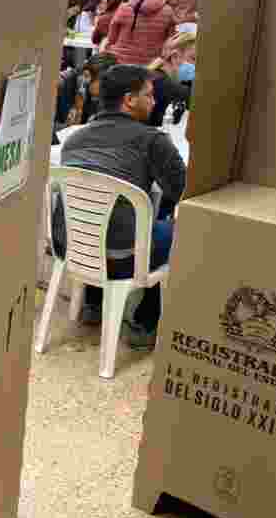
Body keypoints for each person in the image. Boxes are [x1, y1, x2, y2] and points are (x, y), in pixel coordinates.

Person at [57, 65, 186, 349]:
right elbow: (183, 192)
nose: (154, 102)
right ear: (129, 100)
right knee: (176, 226)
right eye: (149, 95)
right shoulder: (152, 141)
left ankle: (92, 302)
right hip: (124, 257)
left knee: (109, 218)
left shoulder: (74, 139)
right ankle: (145, 321)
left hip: (75, 248)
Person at [106, 0, 177, 66]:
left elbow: (111, 39)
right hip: (151, 65)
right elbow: (170, 39)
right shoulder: (167, 11)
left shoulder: (124, 8)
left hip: (121, 63)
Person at [55, 52, 117, 130]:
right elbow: (44, 126)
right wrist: (69, 128)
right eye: (105, 84)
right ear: (87, 75)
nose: (107, 90)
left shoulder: (94, 94)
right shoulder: (60, 85)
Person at [146, 31, 195, 126]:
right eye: (193, 59)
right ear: (175, 56)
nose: (195, 66)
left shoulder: (153, 74)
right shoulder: (167, 85)